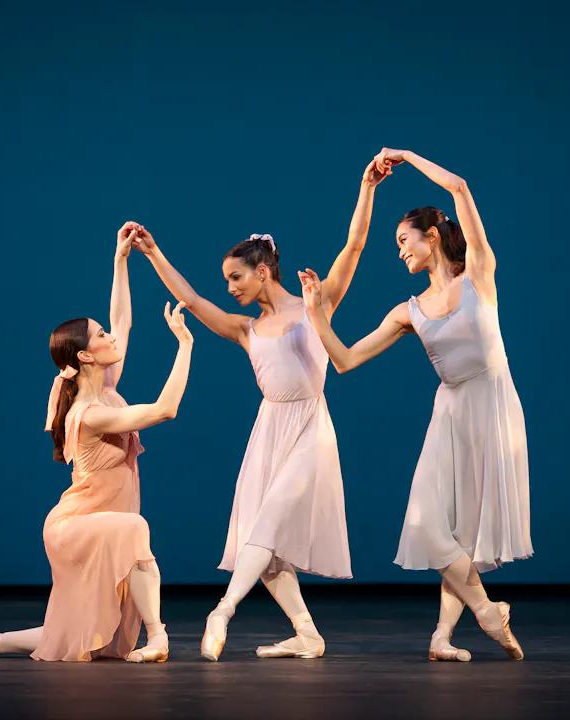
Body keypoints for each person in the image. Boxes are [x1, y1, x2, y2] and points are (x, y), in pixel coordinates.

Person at [131, 158, 390, 661]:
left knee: (267, 524)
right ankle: (307, 633)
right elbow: (190, 297)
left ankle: (223, 610)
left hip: (310, 427)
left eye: (236, 278)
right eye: (227, 281)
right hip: (268, 429)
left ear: (262, 271)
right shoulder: (245, 330)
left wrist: (366, 188)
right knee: (264, 542)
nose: (230, 288)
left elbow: (353, 246)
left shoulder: (316, 304)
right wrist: (153, 252)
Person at [299, 148, 530, 661]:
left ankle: (441, 638)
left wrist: (406, 156)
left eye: (405, 241)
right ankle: (489, 614)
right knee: (430, 523)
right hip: (448, 415)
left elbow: (461, 188)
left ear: (432, 238)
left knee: (464, 534)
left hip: (492, 407)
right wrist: (317, 315)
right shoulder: (408, 312)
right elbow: (344, 360)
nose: (400, 252)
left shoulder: (478, 274)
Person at [0, 222, 193, 663]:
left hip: (95, 519)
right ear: (86, 355)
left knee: (93, 635)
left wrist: (120, 261)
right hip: (76, 526)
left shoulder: (103, 384)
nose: (111, 336)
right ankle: (159, 637)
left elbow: (123, 320)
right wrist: (184, 345)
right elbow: (165, 410)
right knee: (136, 530)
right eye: (101, 336)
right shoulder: (89, 414)